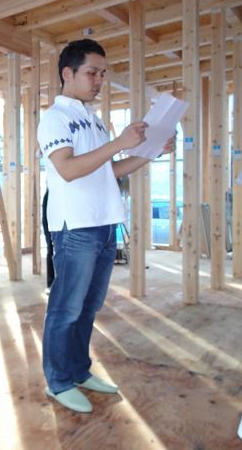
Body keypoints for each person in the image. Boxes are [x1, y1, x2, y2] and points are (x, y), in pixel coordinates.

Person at [38, 39, 175, 413]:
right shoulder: (55, 118)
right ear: (68, 73)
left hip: (103, 222)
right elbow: (68, 169)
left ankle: (78, 371)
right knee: (66, 308)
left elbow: (108, 171)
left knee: (88, 307)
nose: (99, 80)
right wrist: (118, 142)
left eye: (102, 73)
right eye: (92, 72)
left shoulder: (93, 119)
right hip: (75, 226)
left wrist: (149, 153)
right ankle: (58, 381)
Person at [42, 189, 54, 290]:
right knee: (51, 250)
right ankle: (51, 284)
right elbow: (45, 218)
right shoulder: (50, 194)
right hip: (52, 227)